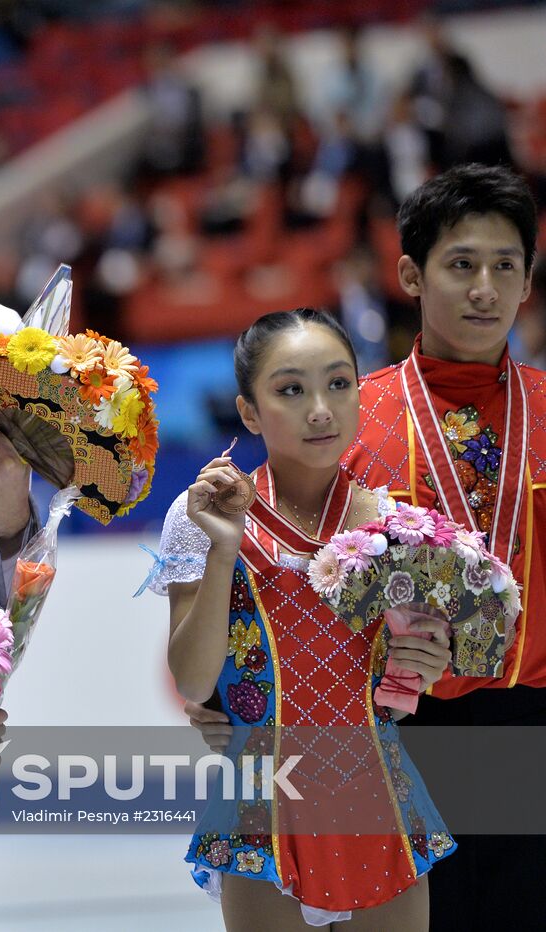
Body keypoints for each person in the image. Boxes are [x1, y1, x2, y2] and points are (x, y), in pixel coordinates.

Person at [185, 163, 546, 929]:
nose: (483, 289)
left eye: (504, 267)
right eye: (461, 265)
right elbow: (259, 554)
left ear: (527, 279)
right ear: (411, 274)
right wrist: (227, 696)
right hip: (401, 736)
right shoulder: (349, 416)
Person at [153, 309, 454, 930]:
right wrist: (225, 550)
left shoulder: (399, 522)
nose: (320, 408)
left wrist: (428, 664)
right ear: (249, 412)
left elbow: (406, 688)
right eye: (291, 389)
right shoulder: (200, 514)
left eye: (339, 383)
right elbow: (191, 679)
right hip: (263, 800)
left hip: (380, 798)